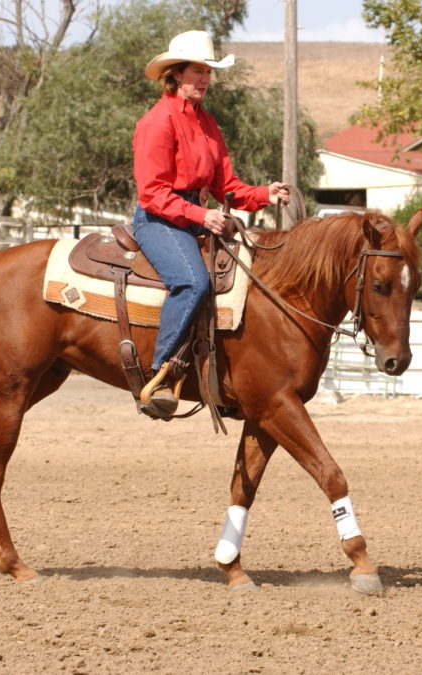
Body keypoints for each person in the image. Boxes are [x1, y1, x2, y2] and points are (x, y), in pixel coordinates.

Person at [134, 30, 289, 419]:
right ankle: (160, 376)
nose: (204, 78)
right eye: (197, 71)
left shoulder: (208, 124)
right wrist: (202, 215)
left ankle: (229, 381)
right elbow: (152, 192)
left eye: (208, 71)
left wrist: (265, 194)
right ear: (175, 75)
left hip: (196, 219)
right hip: (159, 220)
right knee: (192, 283)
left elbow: (228, 188)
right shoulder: (157, 122)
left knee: (244, 282)